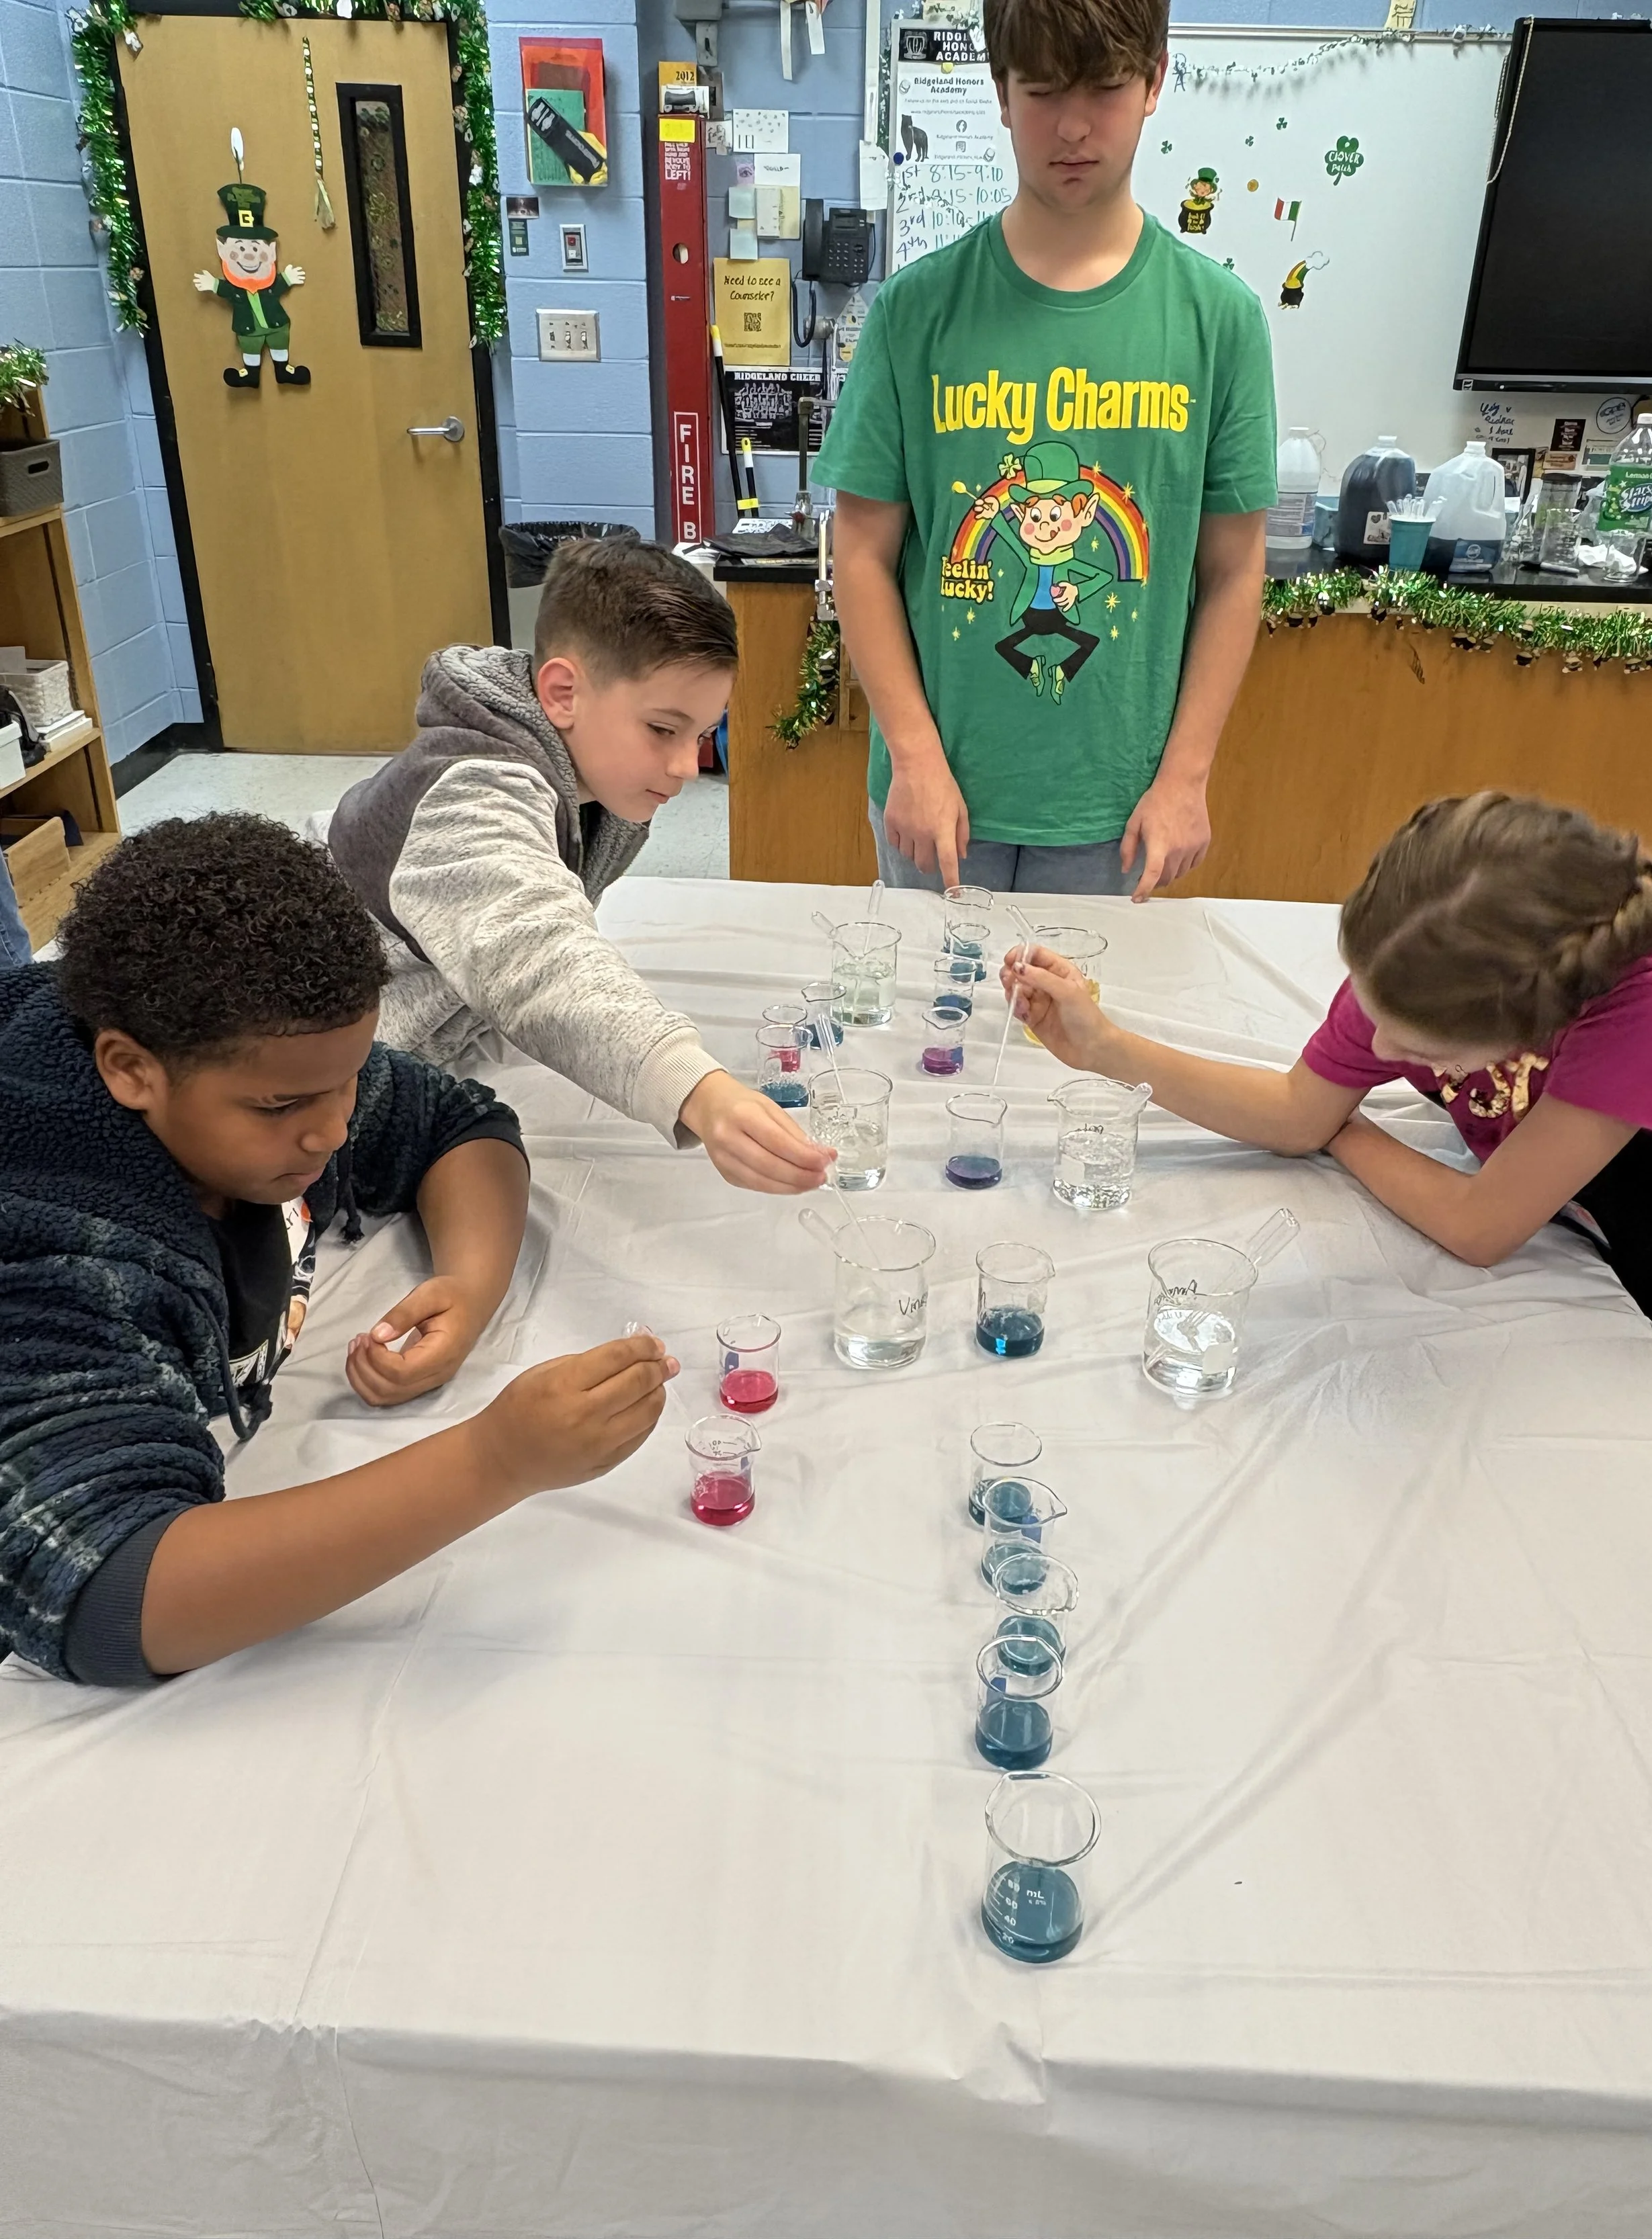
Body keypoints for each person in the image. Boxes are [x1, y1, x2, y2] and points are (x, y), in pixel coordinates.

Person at [0, 814, 677, 1687]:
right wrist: (492, 1461)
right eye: (280, 1108)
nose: (331, 1129)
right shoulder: (65, 1240)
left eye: (348, 1079)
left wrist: (468, 1287)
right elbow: (103, 1595)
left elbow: (456, 1120)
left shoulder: (265, 1062)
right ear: (130, 1070)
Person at [812, 0, 1275, 900]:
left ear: (1154, 83)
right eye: (1042, 90)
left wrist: (1186, 777)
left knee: (1079, 1041)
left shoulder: (1221, 322)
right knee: (927, 1038)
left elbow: (1233, 568)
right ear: (998, 91)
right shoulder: (917, 312)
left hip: (1115, 808)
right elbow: (863, 554)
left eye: (1104, 89)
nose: (1072, 127)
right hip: (937, 797)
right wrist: (912, 755)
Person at [1004, 793, 1652, 1362]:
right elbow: (1297, 1111)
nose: (1381, 1046)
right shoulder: (1420, 946)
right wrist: (1105, 1046)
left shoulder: (1649, 1004)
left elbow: (1480, 1228)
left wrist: (1344, 1132)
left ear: (1525, 1027)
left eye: (1415, 1044)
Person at [327, 536, 831, 1195]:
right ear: (562, 692)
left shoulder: (590, 772)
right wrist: (695, 1088)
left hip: (444, 1042)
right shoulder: (470, 795)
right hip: (336, 1092)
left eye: (703, 735)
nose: (685, 766)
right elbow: (537, 953)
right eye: (662, 729)